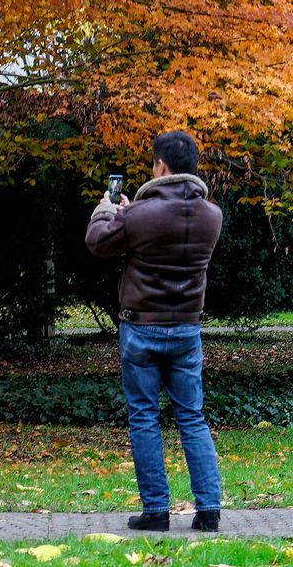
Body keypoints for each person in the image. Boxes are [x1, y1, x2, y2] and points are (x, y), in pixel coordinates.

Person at [86, 130, 223, 533]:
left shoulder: (139, 215)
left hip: (141, 329)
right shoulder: (212, 217)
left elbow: (98, 242)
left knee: (144, 418)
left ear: (160, 166)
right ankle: (209, 510)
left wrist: (105, 211)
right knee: (192, 417)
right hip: (186, 331)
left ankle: (156, 511)